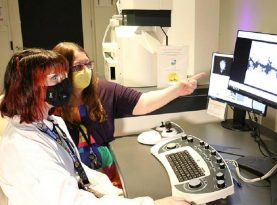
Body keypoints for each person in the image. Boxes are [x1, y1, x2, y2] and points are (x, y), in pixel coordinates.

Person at [0, 48, 190, 205]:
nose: (63, 83)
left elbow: (76, 170)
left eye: (63, 77)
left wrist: (107, 189)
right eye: (54, 78)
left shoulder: (51, 123)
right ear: (29, 87)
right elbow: (71, 202)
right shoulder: (23, 147)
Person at [52, 42, 206, 186]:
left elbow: (143, 103)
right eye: (77, 67)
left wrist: (177, 90)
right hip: (72, 179)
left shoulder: (104, 90)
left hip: (106, 176)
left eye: (87, 64)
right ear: (62, 72)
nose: (85, 70)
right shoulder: (52, 102)